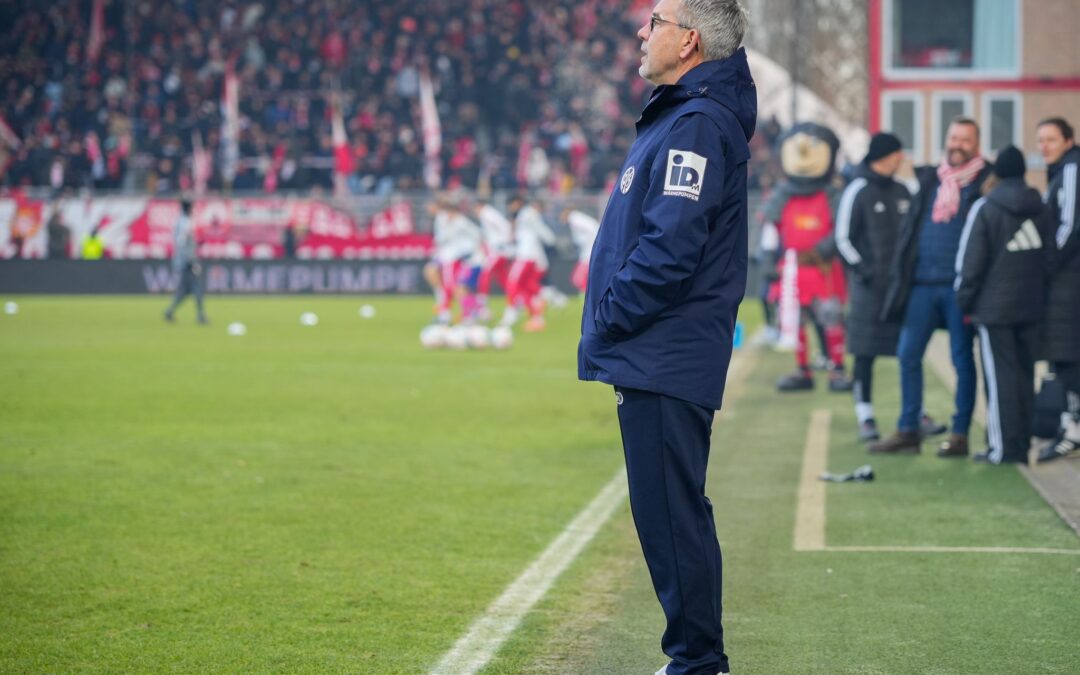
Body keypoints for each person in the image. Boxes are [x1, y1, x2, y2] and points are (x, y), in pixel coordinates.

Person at [577, 1, 754, 673]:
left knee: (671, 516)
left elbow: (670, 245)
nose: (642, 31)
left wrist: (612, 314)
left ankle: (697, 662)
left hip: (662, 350)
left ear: (688, 41)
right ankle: (696, 657)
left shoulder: (696, 124)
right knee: (668, 513)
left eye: (655, 21)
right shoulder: (681, 116)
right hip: (659, 350)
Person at [871, 118, 993, 457]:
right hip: (921, 285)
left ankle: (959, 434)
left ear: (976, 145)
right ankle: (908, 430)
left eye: (965, 140)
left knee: (961, 360)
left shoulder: (986, 182)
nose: (957, 144)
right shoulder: (931, 180)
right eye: (954, 137)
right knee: (908, 354)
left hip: (960, 288)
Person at [955, 146, 1052, 463]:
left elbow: (970, 263)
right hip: (1032, 306)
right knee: (1025, 377)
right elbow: (1050, 258)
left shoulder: (986, 208)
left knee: (1000, 381)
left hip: (994, 310)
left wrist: (964, 301)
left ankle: (1003, 448)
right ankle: (1021, 444)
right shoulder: (1041, 207)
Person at [833, 132, 909, 442]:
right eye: (898, 153)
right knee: (864, 354)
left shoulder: (904, 191)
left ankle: (914, 413)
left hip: (900, 291)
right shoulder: (858, 189)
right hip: (868, 291)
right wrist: (864, 271)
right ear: (886, 156)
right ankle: (865, 415)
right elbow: (843, 239)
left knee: (909, 351)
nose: (901, 158)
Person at [1035, 117, 1080, 462]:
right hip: (1066, 278)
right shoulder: (1061, 170)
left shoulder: (1071, 169)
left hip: (1069, 280)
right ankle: (1069, 424)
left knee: (1067, 353)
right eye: (1040, 140)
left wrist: (1047, 265)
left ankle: (1073, 429)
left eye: (1051, 139)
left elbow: (1070, 224)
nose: (1044, 146)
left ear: (1068, 140)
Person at [504, 195, 555, 332]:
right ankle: (537, 317)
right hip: (527, 255)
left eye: (511, 204)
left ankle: (512, 312)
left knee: (512, 281)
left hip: (526, 256)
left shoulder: (528, 213)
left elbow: (540, 228)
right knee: (526, 286)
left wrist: (551, 240)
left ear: (518, 202)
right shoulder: (522, 215)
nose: (510, 207)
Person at [163, 199, 208, 324]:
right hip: (187, 262)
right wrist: (191, 261)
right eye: (192, 207)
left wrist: (196, 244)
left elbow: (183, 242)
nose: (193, 210)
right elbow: (183, 243)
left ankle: (169, 312)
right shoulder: (185, 223)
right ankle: (200, 316)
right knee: (196, 288)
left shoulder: (180, 221)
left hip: (183, 260)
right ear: (188, 208)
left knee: (185, 290)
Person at [563, 208, 600, 293]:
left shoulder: (574, 219)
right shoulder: (576, 218)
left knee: (577, 279)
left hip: (589, 253)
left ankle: (586, 294)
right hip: (588, 252)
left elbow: (592, 228)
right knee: (580, 279)